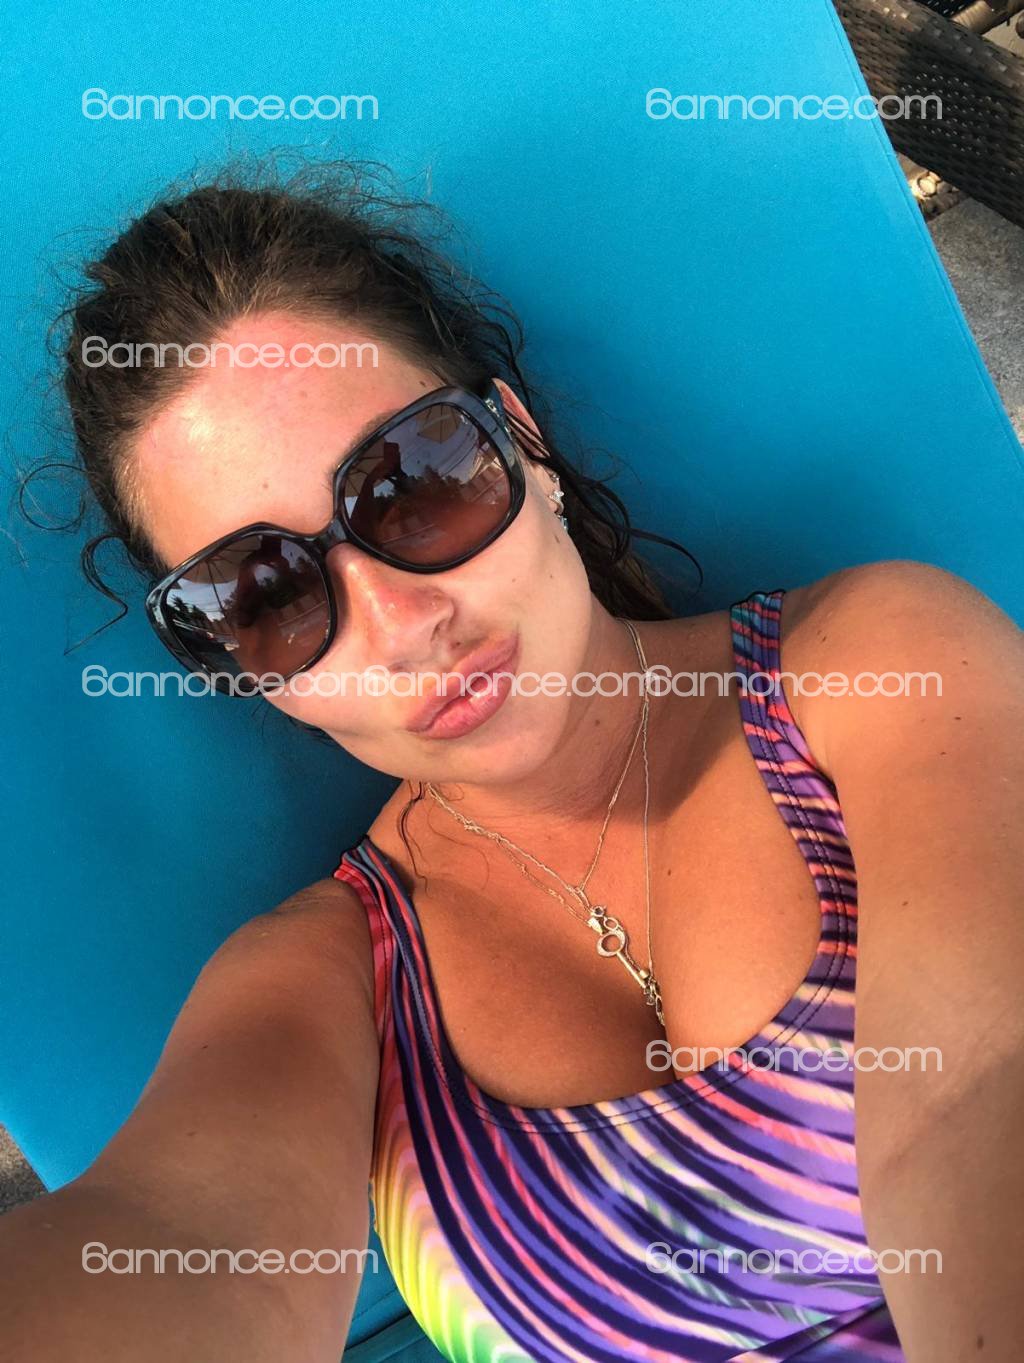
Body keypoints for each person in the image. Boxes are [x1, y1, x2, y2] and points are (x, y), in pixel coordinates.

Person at [3, 163, 1022, 1363]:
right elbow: (179, 1239)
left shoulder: (876, 670)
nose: (401, 624)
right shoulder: (317, 981)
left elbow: (977, 1090)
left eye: (413, 483)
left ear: (521, 440)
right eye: (262, 596)